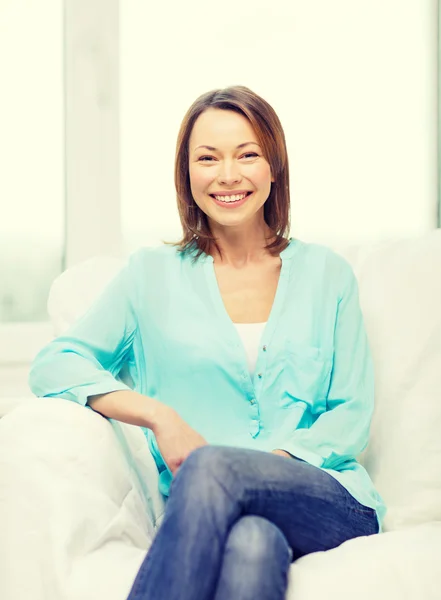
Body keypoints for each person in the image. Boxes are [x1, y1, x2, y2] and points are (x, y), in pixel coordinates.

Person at [29, 85, 387, 600]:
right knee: (252, 544)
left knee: (214, 464)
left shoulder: (328, 275)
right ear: (187, 173)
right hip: (209, 510)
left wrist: (265, 465)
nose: (228, 175)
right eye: (207, 157)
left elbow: (351, 414)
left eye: (247, 155)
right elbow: (55, 364)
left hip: (326, 498)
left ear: (274, 168)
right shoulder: (149, 277)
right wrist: (159, 416)